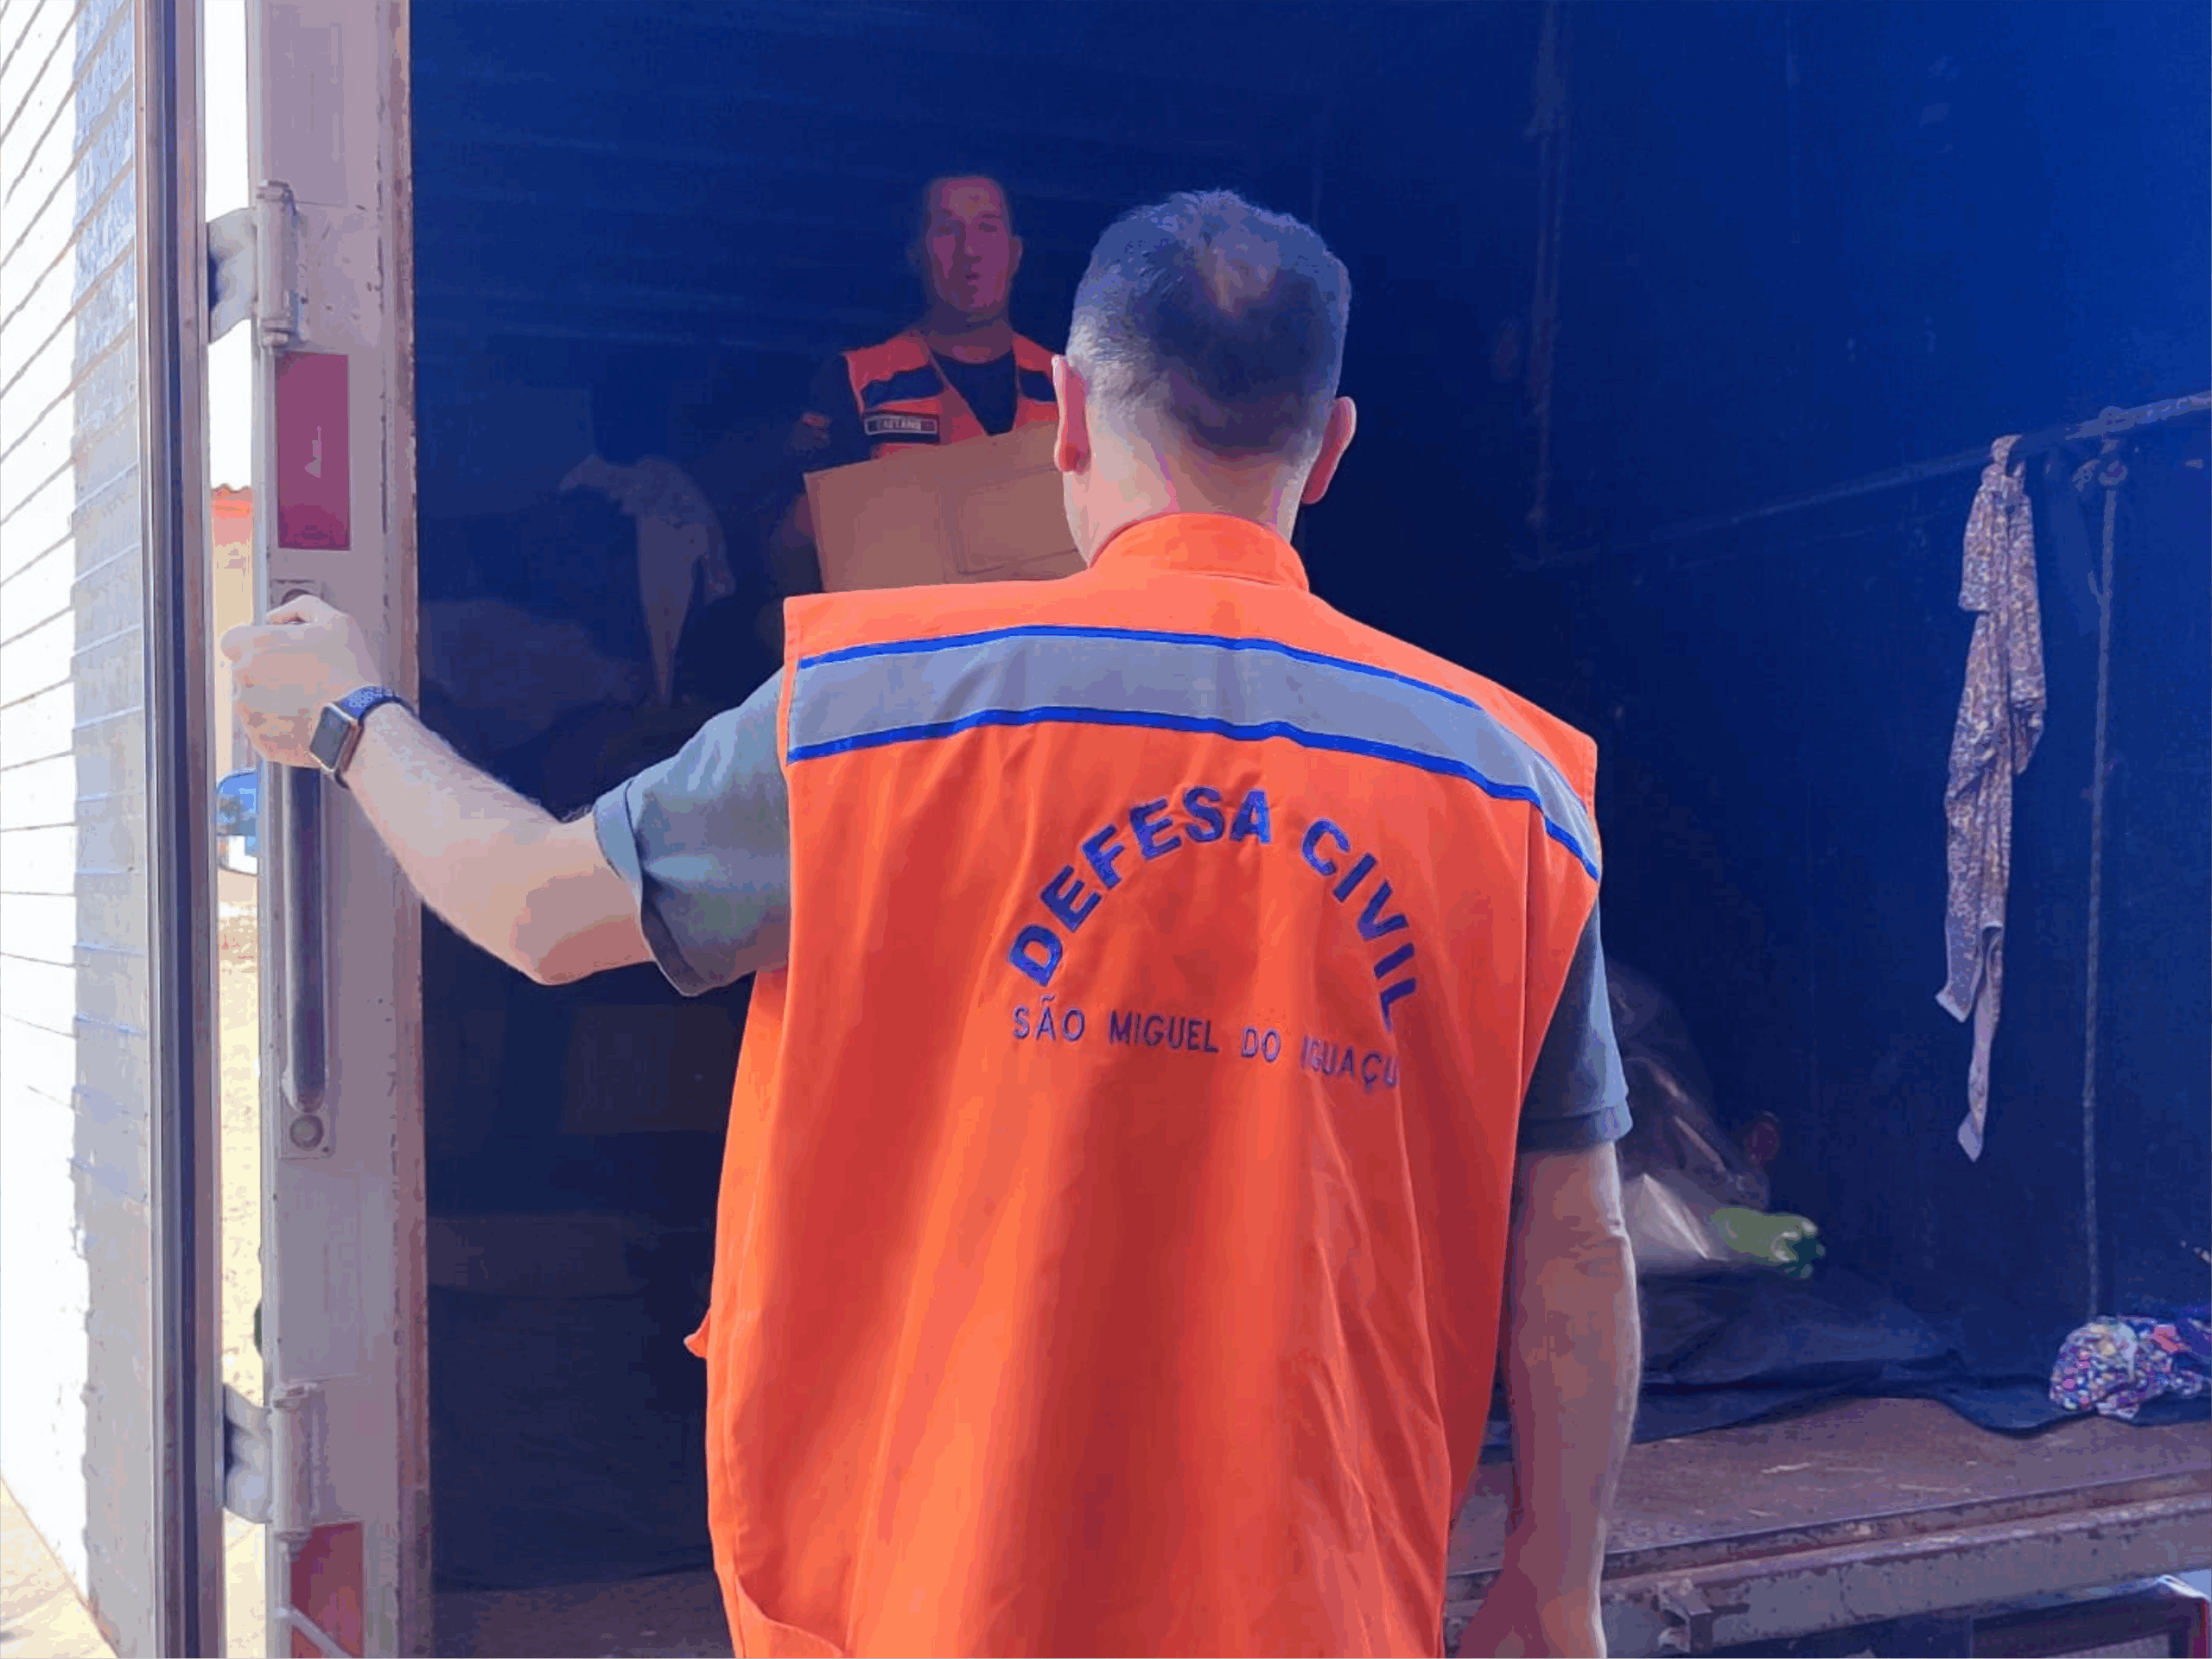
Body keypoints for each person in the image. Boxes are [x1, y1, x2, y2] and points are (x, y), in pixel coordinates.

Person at [226, 189, 1643, 1659]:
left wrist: (351, 718)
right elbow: (1576, 1245)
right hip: (1320, 1615)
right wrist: (1553, 1585)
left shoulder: (866, 714)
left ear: (1067, 415)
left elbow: (534, 906)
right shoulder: (1513, 798)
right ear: (1332, 446)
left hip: (934, 1602)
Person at [762, 172, 1058, 604]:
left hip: (1045, 635)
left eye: (987, 228)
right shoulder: (858, 379)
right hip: (917, 635)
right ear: (915, 254)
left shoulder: (1065, 383)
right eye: (947, 230)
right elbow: (791, 545)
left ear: (1015, 253)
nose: (970, 251)